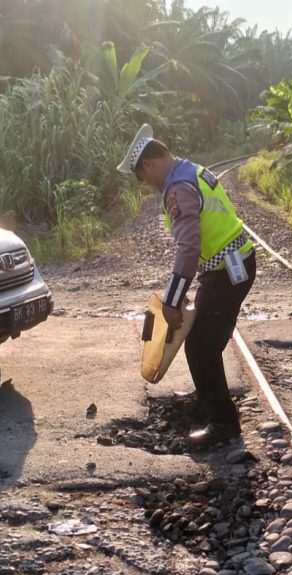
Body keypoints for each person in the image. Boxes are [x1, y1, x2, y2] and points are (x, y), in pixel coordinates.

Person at [118, 124, 256, 445]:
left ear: (149, 165)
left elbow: (189, 247)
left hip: (227, 272)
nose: (146, 184)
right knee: (207, 340)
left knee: (201, 348)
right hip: (229, 266)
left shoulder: (177, 188)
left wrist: (173, 299)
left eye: (141, 177)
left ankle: (224, 425)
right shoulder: (191, 170)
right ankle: (209, 396)